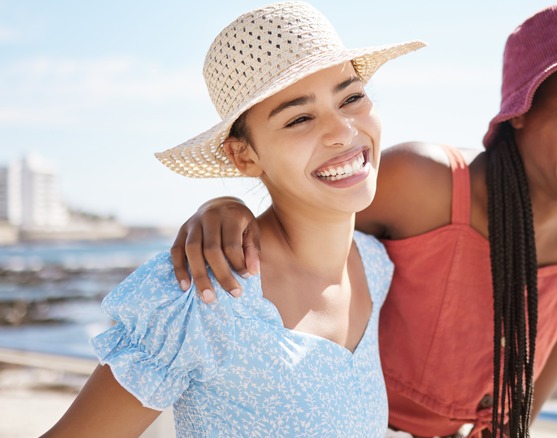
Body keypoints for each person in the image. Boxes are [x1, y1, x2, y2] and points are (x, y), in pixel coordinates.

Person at [170, 3, 557, 438]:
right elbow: (304, 219)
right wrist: (227, 208)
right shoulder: (423, 183)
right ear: (520, 111)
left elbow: (525, 401)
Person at [42, 2, 424, 437]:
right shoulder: (203, 293)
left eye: (351, 97)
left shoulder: (377, 265)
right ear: (244, 155)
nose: (342, 131)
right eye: (299, 118)